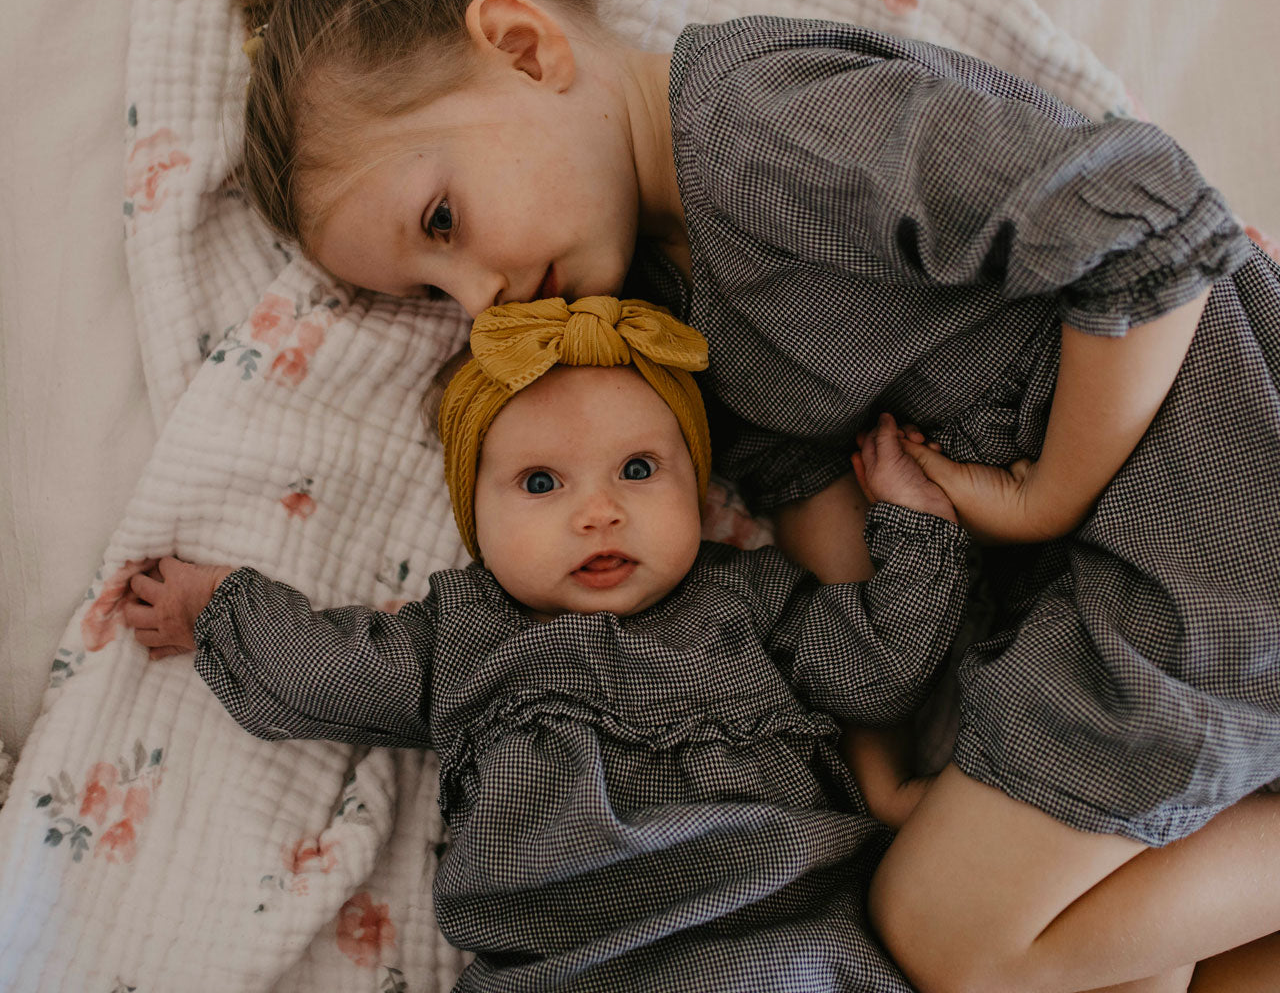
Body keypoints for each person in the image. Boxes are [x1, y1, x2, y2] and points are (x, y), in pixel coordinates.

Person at [225, 0, 1280, 992]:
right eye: (428, 293)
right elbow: (798, 482)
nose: (477, 300)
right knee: (1122, 970)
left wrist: (1046, 491)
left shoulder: (753, 130)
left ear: (525, 49)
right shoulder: (660, 303)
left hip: (1213, 502)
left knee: (940, 933)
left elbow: (1145, 217)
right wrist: (872, 756)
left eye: (442, 225)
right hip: (1094, 593)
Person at [122, 295, 973, 992]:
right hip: (565, 968)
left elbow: (875, 669)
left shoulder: (748, 600)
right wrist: (218, 613)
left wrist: (919, 527)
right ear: (475, 520)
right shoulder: (464, 636)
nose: (598, 511)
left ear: (697, 482)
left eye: (639, 470)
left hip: (776, 946)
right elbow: (331, 670)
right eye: (540, 483)